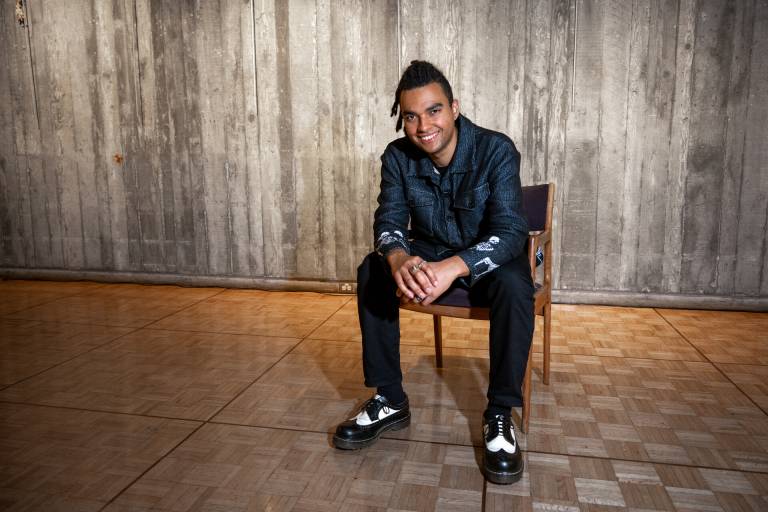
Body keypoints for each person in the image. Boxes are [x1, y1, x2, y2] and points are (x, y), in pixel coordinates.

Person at [332, 60, 534, 485]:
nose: (424, 125)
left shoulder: (496, 149)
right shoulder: (396, 157)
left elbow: (512, 231)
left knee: (517, 282)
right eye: (411, 115)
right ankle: (389, 398)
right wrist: (399, 259)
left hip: (485, 257)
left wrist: (453, 267)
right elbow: (388, 220)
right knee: (372, 270)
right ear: (401, 118)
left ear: (455, 108)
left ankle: (499, 413)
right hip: (428, 252)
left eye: (434, 110)